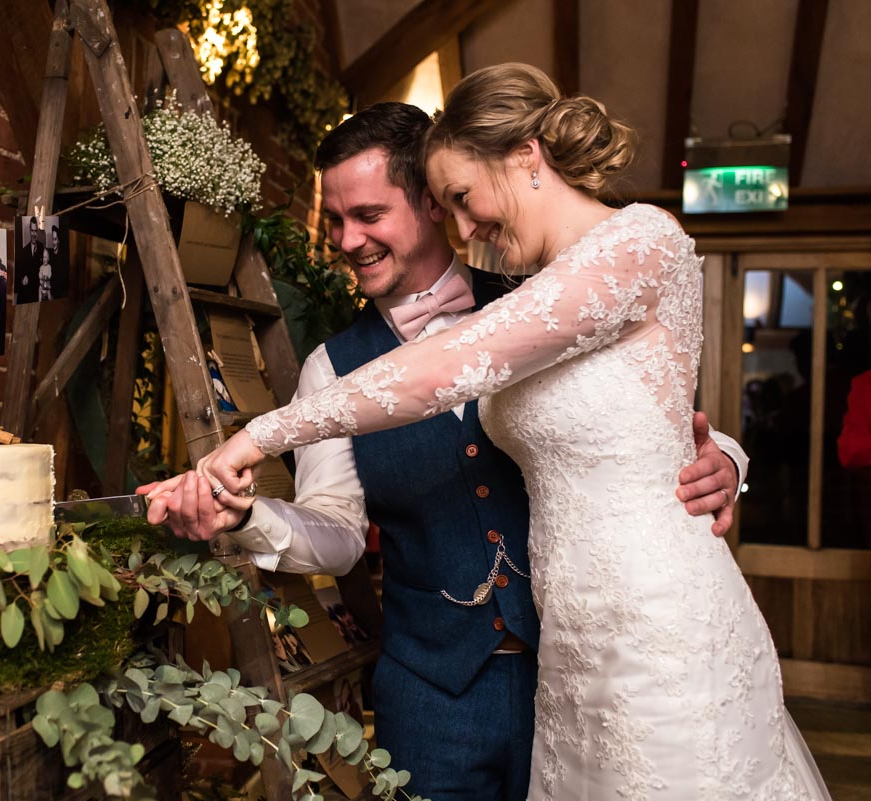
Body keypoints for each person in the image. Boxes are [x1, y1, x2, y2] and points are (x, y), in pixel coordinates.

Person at [147, 66, 829, 801]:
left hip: (599, 651)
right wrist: (250, 515)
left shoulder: (559, 281)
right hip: (439, 688)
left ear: (433, 203)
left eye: (371, 213)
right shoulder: (330, 364)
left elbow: (645, 413)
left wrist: (724, 456)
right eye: (336, 219)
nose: (347, 240)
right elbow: (340, 532)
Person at [16, 215, 42, 304]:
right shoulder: (24, 251)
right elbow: (19, 272)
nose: (34, 234)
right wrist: (22, 279)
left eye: (36, 231)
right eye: (32, 231)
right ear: (30, 230)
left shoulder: (42, 249)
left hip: (37, 293)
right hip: (26, 294)